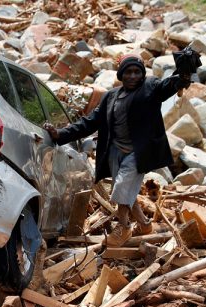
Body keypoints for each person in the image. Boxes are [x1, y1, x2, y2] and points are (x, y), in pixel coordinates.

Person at [44, 55, 192, 247]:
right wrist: (60, 134)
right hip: (115, 151)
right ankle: (145, 225)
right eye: (128, 72)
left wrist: (184, 75)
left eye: (137, 72)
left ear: (142, 74)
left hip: (138, 152)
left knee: (121, 188)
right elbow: (89, 123)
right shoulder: (110, 96)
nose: (132, 76)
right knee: (127, 192)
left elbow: (168, 86)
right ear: (121, 74)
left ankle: (123, 227)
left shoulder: (150, 87)